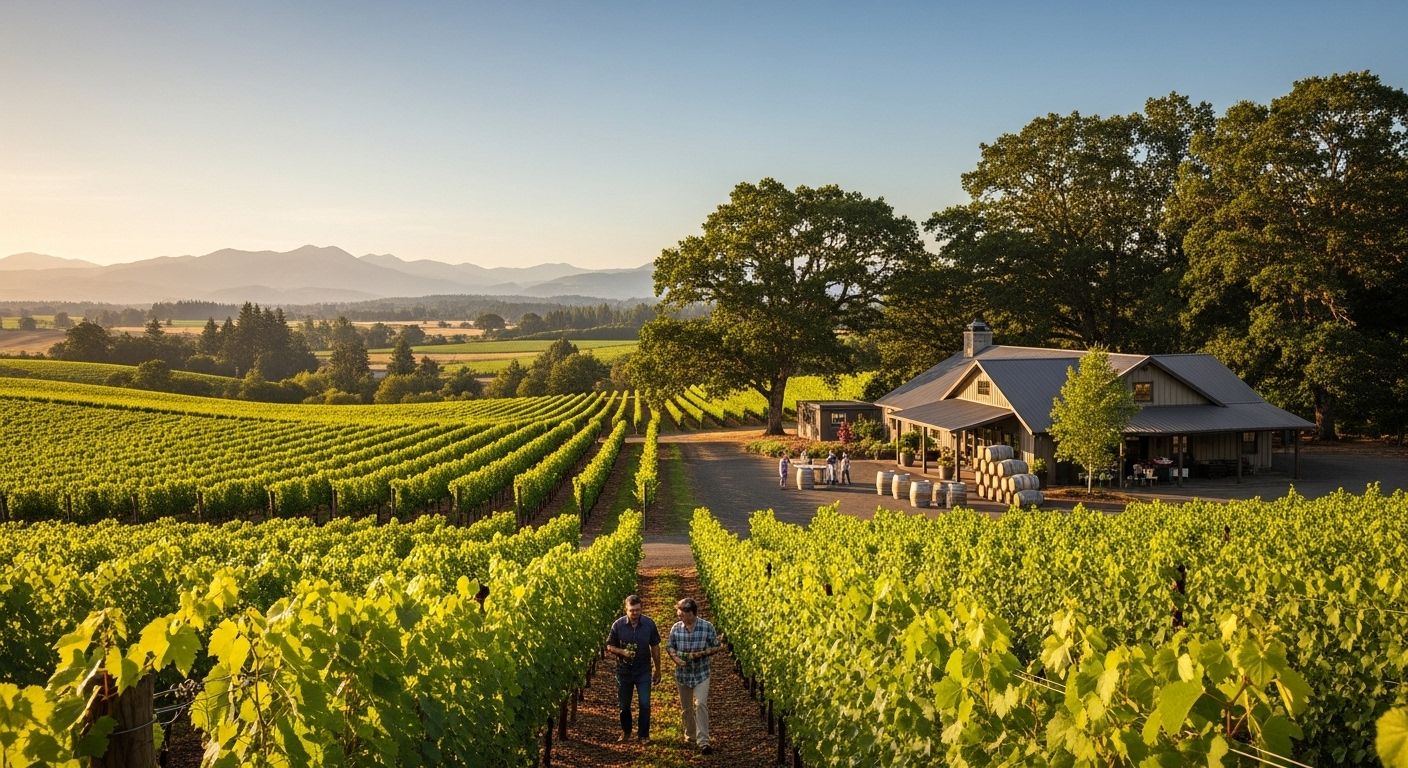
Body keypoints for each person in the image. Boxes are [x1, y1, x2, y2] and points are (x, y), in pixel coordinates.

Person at [666, 598, 721, 754]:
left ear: (690, 613)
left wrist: (702, 654)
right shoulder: (676, 628)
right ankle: (690, 735)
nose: (679, 616)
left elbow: (716, 647)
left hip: (701, 673)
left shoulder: (707, 627)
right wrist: (675, 658)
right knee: (687, 708)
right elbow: (670, 647)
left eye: (681, 613)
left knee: (701, 704)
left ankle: (704, 741)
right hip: (683, 674)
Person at [606, 595, 662, 742]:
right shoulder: (617, 625)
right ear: (626, 610)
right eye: (632, 610)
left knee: (644, 703)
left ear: (641, 609)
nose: (635, 613)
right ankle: (626, 731)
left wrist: (658, 669)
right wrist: (623, 652)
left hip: (643, 670)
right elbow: (609, 646)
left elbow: (655, 647)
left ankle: (643, 735)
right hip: (624, 671)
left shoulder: (649, 624)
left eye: (637, 610)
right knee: (624, 706)